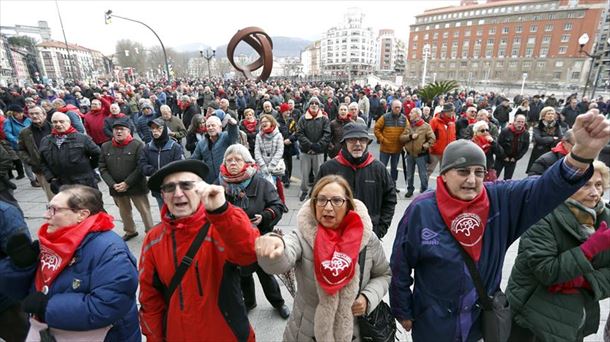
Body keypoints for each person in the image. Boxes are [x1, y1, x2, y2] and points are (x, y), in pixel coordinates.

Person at [390, 111, 610, 342]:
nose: (472, 180)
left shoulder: (499, 200)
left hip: (480, 320)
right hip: (433, 320)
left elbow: (546, 188)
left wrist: (583, 153)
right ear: (443, 175)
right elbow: (401, 264)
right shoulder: (422, 209)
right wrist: (402, 308)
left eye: (479, 172)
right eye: (463, 172)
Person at [255, 175, 391, 341]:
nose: (328, 207)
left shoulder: (367, 239)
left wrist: (368, 297)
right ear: (314, 204)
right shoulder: (302, 236)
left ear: (348, 204)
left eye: (336, 200)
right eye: (321, 200)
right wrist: (274, 246)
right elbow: (282, 257)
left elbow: (384, 274)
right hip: (307, 329)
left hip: (355, 331)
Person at [138, 159, 260, 341]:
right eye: (170, 188)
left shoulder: (223, 224)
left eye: (186, 185)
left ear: (201, 189)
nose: (178, 194)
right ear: (163, 196)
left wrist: (222, 211)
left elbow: (249, 256)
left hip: (226, 335)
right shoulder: (153, 239)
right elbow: (150, 299)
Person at [7, 185, 140, 340]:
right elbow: (23, 294)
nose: (45, 215)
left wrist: (47, 307)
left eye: (54, 209)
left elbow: (106, 306)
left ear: (82, 214)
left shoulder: (111, 251)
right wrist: (21, 267)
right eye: (47, 208)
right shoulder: (53, 242)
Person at [507, 161, 610, 341]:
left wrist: (583, 282)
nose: (595, 193)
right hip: (532, 319)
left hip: (576, 319)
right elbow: (547, 271)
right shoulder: (543, 215)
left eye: (599, 185)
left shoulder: (604, 217)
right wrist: (590, 248)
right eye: (586, 184)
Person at [216, 144, 289, 318]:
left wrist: (264, 217)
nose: (233, 163)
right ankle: (249, 303)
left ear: (247, 162)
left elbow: (278, 206)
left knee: (266, 275)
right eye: (229, 160)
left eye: (237, 159)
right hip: (235, 243)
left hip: (260, 239)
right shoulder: (219, 184)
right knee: (243, 276)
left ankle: (278, 303)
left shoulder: (261, 182)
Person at [317, 122, 396, 239]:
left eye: (362, 140)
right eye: (352, 140)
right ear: (344, 143)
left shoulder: (379, 169)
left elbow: (390, 199)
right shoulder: (328, 168)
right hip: (335, 235)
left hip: (369, 234)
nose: (358, 144)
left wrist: (380, 229)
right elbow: (315, 201)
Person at [99, 118, 153, 241]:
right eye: (116, 129)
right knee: (124, 212)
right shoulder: (105, 146)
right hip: (117, 188)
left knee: (144, 210)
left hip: (136, 186)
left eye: (122, 129)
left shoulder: (138, 145)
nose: (118, 132)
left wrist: (127, 183)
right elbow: (102, 168)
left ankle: (150, 231)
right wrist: (113, 184)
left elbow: (141, 167)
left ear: (128, 131)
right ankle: (130, 231)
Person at [39, 112, 101, 193]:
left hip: (84, 183)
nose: (58, 124)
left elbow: (98, 154)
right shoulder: (46, 140)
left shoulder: (82, 138)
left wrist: (87, 167)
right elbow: (42, 161)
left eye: (61, 121)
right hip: (61, 185)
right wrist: (51, 178)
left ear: (69, 122)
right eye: (55, 122)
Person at [139, 118, 184, 210]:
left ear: (164, 130)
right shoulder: (147, 147)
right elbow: (142, 165)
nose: (155, 131)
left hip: (173, 188)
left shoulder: (175, 147)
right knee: (163, 212)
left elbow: (178, 166)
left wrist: (164, 173)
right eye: (153, 128)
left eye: (158, 128)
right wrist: (154, 172)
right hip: (157, 188)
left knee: (178, 212)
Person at [296, 96, 331, 201]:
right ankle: (304, 191)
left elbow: (327, 133)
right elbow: (299, 133)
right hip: (305, 150)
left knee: (319, 173)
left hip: (319, 151)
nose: (314, 105)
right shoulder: (303, 118)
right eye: (312, 103)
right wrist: (310, 145)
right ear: (309, 105)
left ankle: (317, 191)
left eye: (316, 103)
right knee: (304, 174)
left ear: (319, 105)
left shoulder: (324, 119)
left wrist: (318, 145)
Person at [399, 107, 436, 198]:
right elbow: (401, 138)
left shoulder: (426, 126)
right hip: (410, 155)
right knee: (409, 174)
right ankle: (410, 189)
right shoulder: (409, 125)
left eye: (412, 113)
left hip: (421, 155)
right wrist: (410, 136)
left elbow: (432, 139)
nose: (409, 114)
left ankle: (424, 190)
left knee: (423, 175)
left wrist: (425, 146)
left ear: (417, 115)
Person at [191, 115, 238, 184]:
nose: (210, 128)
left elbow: (233, 135)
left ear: (220, 127)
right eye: (208, 126)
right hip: (210, 181)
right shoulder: (202, 143)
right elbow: (194, 160)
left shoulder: (225, 137)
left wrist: (233, 125)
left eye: (213, 125)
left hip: (227, 179)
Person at [18, 105, 53, 196]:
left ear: (44, 115)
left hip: (60, 167)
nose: (34, 116)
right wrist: (31, 161)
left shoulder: (54, 128)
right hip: (41, 170)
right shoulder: (25, 132)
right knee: (52, 197)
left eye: (37, 113)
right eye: (31, 114)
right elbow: (21, 149)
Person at [375, 100, 408, 191]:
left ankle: (393, 185)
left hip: (397, 149)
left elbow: (407, 130)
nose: (397, 109)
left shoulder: (404, 119)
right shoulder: (385, 117)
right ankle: (380, 185)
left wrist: (403, 142)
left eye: (399, 107)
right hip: (385, 148)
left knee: (394, 168)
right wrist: (382, 139)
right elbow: (377, 128)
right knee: (382, 167)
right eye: (395, 107)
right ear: (391, 107)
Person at [254, 114, 286, 202]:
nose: (264, 123)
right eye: (262, 122)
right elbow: (257, 151)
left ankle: (281, 202)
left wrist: (272, 165)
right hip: (262, 164)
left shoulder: (278, 135)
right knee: (263, 185)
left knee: (277, 184)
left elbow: (280, 151)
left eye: (266, 121)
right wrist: (262, 165)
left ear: (271, 122)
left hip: (275, 165)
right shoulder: (258, 136)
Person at [526, 106, 564, 172]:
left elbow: (560, 138)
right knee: (537, 172)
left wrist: (545, 138)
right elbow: (539, 139)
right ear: (543, 116)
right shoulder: (538, 126)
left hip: (552, 152)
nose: (551, 115)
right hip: (539, 152)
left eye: (552, 114)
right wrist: (552, 138)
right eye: (548, 114)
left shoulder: (557, 126)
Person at [496, 114, 530, 180]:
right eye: (518, 121)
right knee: (494, 177)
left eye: (522, 122)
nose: (520, 124)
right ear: (514, 121)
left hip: (513, 159)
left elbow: (525, 148)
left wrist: (516, 158)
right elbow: (498, 145)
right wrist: (504, 156)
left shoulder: (526, 134)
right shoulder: (505, 131)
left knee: (508, 179)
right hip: (501, 158)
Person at [427, 103, 457, 178]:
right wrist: (433, 146)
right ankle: (423, 188)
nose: (453, 113)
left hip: (447, 152)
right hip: (435, 151)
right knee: (428, 170)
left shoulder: (452, 122)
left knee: (444, 172)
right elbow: (429, 135)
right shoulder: (435, 121)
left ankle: (441, 189)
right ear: (446, 112)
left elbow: (453, 136)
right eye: (452, 111)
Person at [278, 103, 298, 188]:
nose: (288, 112)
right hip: (280, 146)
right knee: (284, 163)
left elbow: (297, 132)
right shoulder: (277, 122)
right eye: (286, 111)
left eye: (289, 111)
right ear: (282, 112)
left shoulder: (291, 121)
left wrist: (290, 139)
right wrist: (282, 141)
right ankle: (285, 179)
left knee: (289, 163)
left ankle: (288, 177)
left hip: (290, 145)